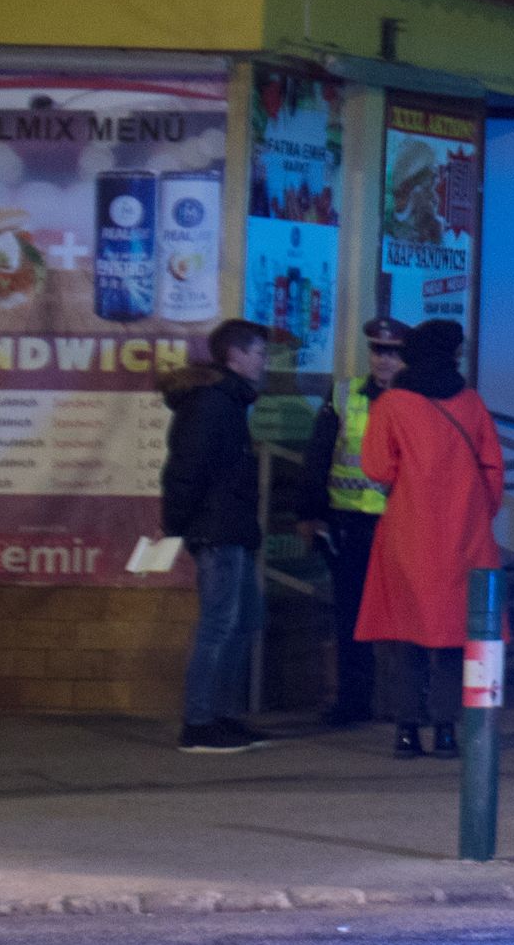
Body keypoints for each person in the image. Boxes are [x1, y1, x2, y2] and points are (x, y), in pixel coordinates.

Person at [355, 318, 504, 759]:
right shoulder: (471, 403)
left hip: (408, 532)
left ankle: (405, 730)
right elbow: (493, 469)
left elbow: (377, 467)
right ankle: (446, 730)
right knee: (458, 634)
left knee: (406, 634)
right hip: (466, 534)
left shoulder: (393, 404)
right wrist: (478, 513)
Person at [160, 317, 280, 754]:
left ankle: (223, 716)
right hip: (217, 530)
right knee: (219, 624)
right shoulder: (211, 403)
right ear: (236, 356)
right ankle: (198, 723)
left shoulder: (228, 401)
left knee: (245, 620)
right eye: (259, 353)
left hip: (231, 528)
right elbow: (185, 471)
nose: (264, 362)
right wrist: (179, 526)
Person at [305, 319, 407, 725]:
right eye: (377, 350)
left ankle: (402, 704)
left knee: (400, 616)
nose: (383, 359)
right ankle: (353, 700)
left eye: (393, 352)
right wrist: (309, 514)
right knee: (351, 614)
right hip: (351, 523)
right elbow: (319, 455)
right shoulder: (345, 393)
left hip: (399, 524)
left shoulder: (414, 398)